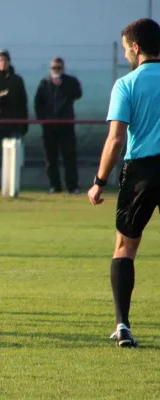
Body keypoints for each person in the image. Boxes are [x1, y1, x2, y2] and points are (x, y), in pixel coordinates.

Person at [87, 18, 160, 348]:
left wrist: (99, 181)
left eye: (125, 48)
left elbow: (116, 139)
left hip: (141, 171)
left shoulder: (126, 84)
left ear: (135, 47)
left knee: (125, 248)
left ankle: (123, 325)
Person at [34, 57, 82, 194]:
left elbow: (77, 94)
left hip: (66, 125)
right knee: (51, 158)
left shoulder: (70, 81)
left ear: (63, 68)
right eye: (54, 68)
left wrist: (62, 85)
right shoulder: (44, 83)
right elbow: (38, 103)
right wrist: (42, 120)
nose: (56, 71)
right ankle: (55, 186)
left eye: (59, 68)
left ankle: (73, 186)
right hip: (49, 127)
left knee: (69, 157)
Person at [0, 49, 29, 191]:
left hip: (14, 124)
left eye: (5, 60)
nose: (3, 63)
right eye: (0, 60)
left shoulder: (17, 80)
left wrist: (24, 123)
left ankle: (12, 186)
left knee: (14, 158)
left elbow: (23, 102)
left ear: (9, 62)